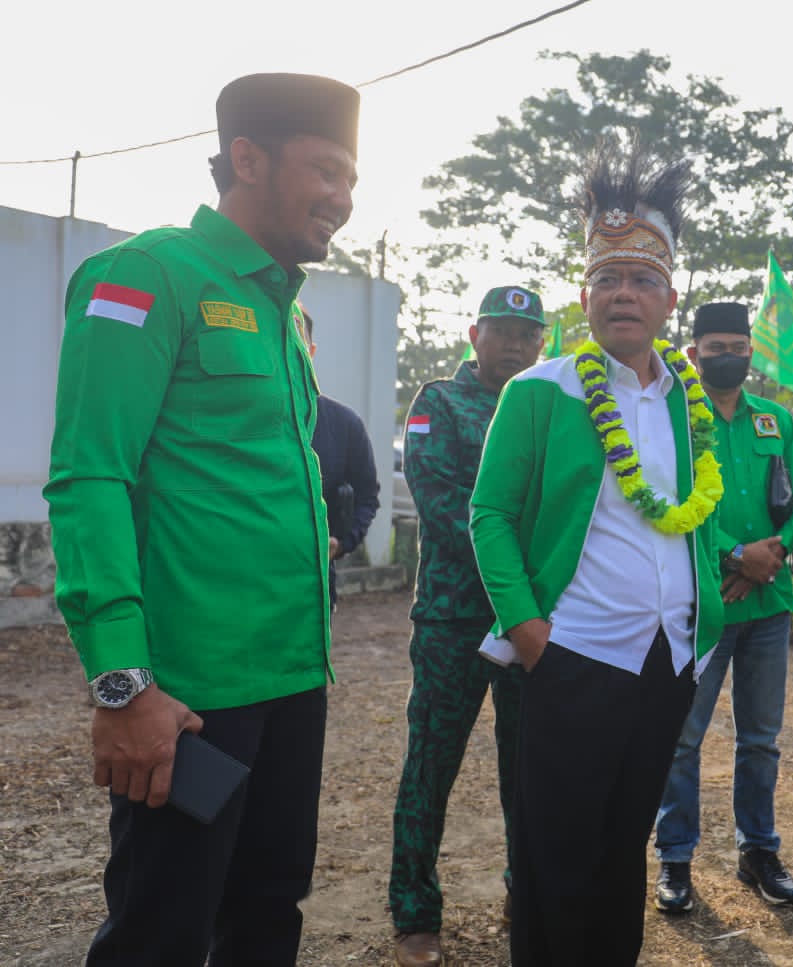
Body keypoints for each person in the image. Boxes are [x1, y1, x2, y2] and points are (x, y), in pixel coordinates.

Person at [44, 73, 359, 965]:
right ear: (248, 159)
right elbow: (89, 476)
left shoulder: (286, 311)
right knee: (162, 930)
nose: (341, 198)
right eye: (326, 170)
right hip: (187, 700)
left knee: (269, 913)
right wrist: (122, 685)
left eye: (352, 182)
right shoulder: (146, 275)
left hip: (296, 680)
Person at [469, 140, 722, 967]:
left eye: (642, 279)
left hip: (666, 658)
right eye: (608, 278)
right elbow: (490, 514)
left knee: (623, 848)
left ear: (669, 297)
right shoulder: (540, 390)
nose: (624, 293)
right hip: (572, 653)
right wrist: (528, 626)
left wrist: (703, 615)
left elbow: (697, 516)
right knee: (556, 858)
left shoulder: (687, 396)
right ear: (584, 293)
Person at [389, 286, 545, 966]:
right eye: (503, 330)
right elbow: (443, 504)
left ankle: (526, 891)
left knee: (530, 769)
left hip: (529, 624)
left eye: (528, 333)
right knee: (431, 764)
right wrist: (518, 565)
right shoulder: (439, 403)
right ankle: (416, 913)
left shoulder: (546, 407)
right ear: (475, 333)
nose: (515, 343)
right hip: (456, 617)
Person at [653, 301, 793, 913]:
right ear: (693, 351)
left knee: (760, 740)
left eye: (738, 346)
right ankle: (675, 859)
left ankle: (759, 852)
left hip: (768, 606)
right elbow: (664, 501)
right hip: (702, 604)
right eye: (715, 346)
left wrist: (771, 553)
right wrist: (731, 556)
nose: (729, 356)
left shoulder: (775, 420)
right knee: (682, 738)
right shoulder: (676, 417)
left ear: (752, 352)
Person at [296, 305, 380, 610]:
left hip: (313, 589)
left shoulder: (344, 424)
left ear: (312, 350)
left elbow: (367, 496)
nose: (287, 346)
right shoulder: (235, 419)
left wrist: (343, 542)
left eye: (296, 336)